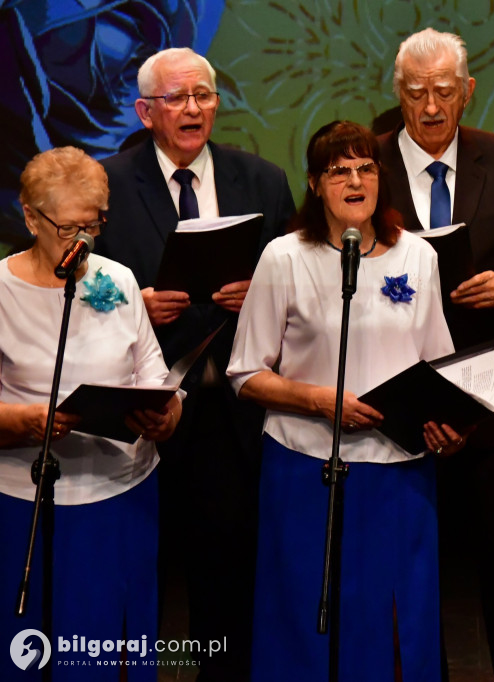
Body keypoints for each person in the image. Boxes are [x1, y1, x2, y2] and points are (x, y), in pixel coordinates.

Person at [226, 120, 463, 681]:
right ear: (314, 184)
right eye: (339, 171)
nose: (355, 181)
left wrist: (449, 423)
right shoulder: (284, 258)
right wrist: (317, 400)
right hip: (304, 468)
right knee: (303, 614)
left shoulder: (418, 257)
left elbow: (439, 366)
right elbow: (244, 374)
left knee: (392, 619)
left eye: (366, 168)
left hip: (398, 473)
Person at [96, 47, 294, 679]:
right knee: (134, 578)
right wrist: (133, 304)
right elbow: (73, 287)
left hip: (234, 415)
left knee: (227, 583)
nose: (193, 109)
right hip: (142, 412)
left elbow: (301, 286)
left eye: (204, 95)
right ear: (145, 112)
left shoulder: (261, 180)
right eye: (177, 98)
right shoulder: (108, 183)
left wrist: (262, 293)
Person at [378, 27, 494, 681]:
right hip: (398, 402)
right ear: (398, 92)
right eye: (417, 93)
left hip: (492, 404)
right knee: (401, 575)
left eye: (445, 92)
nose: (431, 108)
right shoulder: (364, 167)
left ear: (468, 92)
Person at [0, 147, 181, 680]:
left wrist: (166, 415)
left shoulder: (118, 279)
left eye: (93, 225)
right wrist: (26, 421)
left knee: (106, 648)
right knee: (28, 647)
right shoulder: (1, 289)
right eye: (68, 228)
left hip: (120, 496)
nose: (82, 242)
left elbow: (153, 372)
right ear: (30, 217)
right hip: (23, 500)